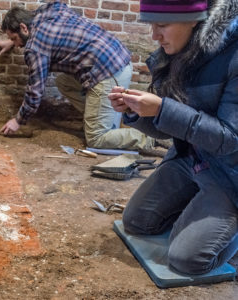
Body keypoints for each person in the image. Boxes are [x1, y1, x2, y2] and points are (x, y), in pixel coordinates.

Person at [109, 0, 238, 275]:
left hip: (230, 173)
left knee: (188, 260)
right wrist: (138, 113)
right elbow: (170, 126)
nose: (154, 35)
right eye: (152, 24)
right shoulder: (178, 52)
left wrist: (163, 108)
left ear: (194, 20)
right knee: (137, 222)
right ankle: (200, 211)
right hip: (191, 158)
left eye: (162, 25)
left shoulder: (235, 55)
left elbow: (231, 140)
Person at [0, 1, 154, 151]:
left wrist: (17, 121)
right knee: (63, 82)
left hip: (108, 73)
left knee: (96, 139)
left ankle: (150, 138)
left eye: (15, 39)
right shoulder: (46, 11)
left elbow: (34, 93)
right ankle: (102, 116)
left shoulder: (34, 48)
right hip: (116, 58)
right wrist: (12, 41)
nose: (17, 45)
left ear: (23, 28)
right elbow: (58, 7)